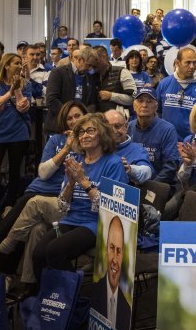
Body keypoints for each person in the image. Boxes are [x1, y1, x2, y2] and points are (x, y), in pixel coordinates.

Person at [32, 113, 128, 285]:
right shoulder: (76, 160)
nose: (84, 135)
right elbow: (62, 206)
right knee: (38, 253)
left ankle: (71, 300)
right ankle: (46, 299)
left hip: (96, 224)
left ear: (102, 134)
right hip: (71, 219)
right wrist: (70, 183)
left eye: (90, 130)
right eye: (81, 132)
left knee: (55, 251)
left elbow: (111, 208)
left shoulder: (113, 164)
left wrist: (84, 182)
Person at [0, 101, 86, 242]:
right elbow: (43, 173)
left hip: (60, 194)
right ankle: (2, 246)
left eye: (77, 116)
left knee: (28, 207)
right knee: (24, 205)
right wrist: (66, 149)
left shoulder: (89, 143)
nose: (74, 121)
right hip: (38, 188)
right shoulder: (56, 140)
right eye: (69, 118)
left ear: (85, 117)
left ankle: (1, 245)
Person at [0, 53, 32, 209]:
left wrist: (17, 89)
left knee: (15, 170)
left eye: (20, 63)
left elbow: (23, 108)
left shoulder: (26, 84)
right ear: (6, 65)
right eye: (16, 63)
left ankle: (10, 205)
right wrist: (10, 92)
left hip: (19, 133)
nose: (19, 66)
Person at [157, 47, 196, 140]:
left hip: (193, 141)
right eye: (188, 62)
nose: (192, 66)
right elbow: (158, 111)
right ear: (177, 63)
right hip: (167, 140)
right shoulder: (164, 84)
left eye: (194, 62)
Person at [128, 88, 180, 185]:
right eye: (140, 101)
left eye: (149, 101)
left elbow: (171, 166)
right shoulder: (128, 127)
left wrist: (151, 185)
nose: (144, 105)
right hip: (132, 182)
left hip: (159, 184)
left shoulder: (167, 129)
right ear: (134, 106)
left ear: (156, 107)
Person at [91, 216, 132, 330]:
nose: (114, 259)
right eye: (112, 248)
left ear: (123, 255)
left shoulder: (126, 308)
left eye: (119, 251)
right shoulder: (94, 293)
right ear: (106, 250)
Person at [44, 47, 99, 133]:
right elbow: (51, 100)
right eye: (88, 65)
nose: (90, 69)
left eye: (92, 66)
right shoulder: (58, 72)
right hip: (58, 127)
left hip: (81, 128)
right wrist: (69, 116)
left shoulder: (90, 76)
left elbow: (92, 102)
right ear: (80, 59)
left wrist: (82, 118)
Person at [104, 109, 153, 184]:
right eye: (108, 128)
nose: (113, 131)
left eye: (117, 126)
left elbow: (147, 171)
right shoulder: (97, 147)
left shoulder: (137, 150)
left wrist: (130, 169)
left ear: (126, 127)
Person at [93, 46, 136, 114]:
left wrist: (111, 96)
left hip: (118, 120)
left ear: (103, 57)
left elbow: (132, 99)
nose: (92, 62)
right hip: (98, 120)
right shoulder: (91, 76)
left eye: (95, 59)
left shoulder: (122, 72)